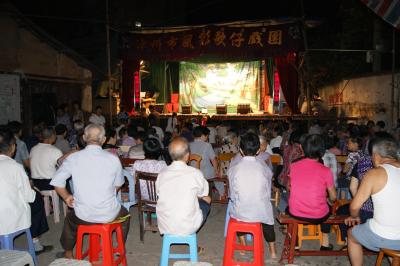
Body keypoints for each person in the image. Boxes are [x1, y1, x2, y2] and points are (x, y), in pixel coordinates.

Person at [51, 124, 130, 259]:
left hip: (83, 215)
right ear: (104, 139)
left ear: (84, 137)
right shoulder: (113, 159)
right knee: (126, 216)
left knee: (70, 219)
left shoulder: (74, 158)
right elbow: (117, 186)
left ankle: (68, 253)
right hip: (108, 213)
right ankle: (118, 247)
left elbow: (57, 182)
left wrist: (66, 197)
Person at [346, 137, 400, 266]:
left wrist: (355, 217)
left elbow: (354, 206)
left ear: (375, 156)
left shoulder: (374, 173)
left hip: (387, 236)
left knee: (352, 235)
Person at [0, 130, 51, 254]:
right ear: (12, 147)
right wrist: (33, 190)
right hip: (8, 218)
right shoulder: (15, 167)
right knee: (37, 199)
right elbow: (29, 197)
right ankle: (35, 242)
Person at [228, 132, 277, 259]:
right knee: (268, 216)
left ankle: (243, 246)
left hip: (241, 211)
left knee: (235, 211)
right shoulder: (264, 168)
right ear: (258, 151)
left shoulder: (234, 168)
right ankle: (272, 251)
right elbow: (267, 192)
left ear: (240, 150)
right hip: (260, 211)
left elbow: (232, 195)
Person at [288, 134, 337, 250]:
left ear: (302, 148)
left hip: (296, 211)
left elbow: (289, 187)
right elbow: (333, 197)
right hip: (318, 215)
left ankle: (295, 242)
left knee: (289, 204)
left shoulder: (293, 166)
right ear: (322, 151)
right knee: (328, 209)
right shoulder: (326, 171)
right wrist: (328, 201)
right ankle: (325, 244)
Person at [156, 137, 211, 237]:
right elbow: (203, 194)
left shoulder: (162, 173)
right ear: (187, 156)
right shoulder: (195, 173)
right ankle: (191, 233)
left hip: (165, 224)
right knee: (206, 199)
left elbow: (159, 193)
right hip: (188, 226)